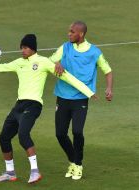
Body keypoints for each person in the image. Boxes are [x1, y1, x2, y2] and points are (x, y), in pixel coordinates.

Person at [0, 34, 95, 183]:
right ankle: (10, 173)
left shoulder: (43, 62)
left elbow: (67, 77)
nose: (23, 50)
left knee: (23, 135)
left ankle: (35, 172)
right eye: (22, 48)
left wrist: (88, 92)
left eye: (25, 48)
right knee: (3, 137)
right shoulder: (19, 63)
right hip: (18, 105)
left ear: (33, 48)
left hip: (33, 105)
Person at [49, 21, 113, 180]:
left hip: (80, 99)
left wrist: (109, 88)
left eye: (72, 32)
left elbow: (108, 70)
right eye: (69, 31)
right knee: (60, 134)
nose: (69, 34)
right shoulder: (65, 47)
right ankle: (72, 160)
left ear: (81, 34)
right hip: (62, 97)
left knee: (77, 131)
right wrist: (56, 62)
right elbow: (49, 60)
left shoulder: (94, 52)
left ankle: (78, 164)